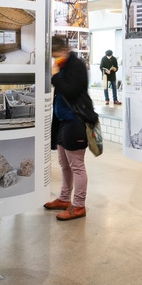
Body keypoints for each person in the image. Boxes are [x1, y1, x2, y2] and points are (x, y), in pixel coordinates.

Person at [44, 35, 89, 221]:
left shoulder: (76, 66)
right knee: (64, 164)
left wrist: (55, 76)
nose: (55, 58)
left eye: (56, 55)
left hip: (75, 121)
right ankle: (64, 199)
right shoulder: (63, 65)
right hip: (62, 122)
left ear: (63, 49)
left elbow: (71, 91)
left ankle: (78, 206)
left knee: (77, 166)